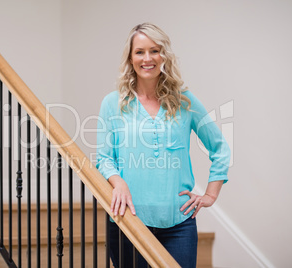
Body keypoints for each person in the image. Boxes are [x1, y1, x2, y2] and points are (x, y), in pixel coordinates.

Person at [96, 22, 231, 268]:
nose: (147, 58)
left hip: (179, 223)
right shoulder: (113, 103)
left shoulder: (184, 101)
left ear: (164, 56)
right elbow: (104, 158)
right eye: (140, 52)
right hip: (128, 220)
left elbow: (220, 147)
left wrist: (211, 193)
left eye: (155, 50)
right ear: (130, 58)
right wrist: (119, 182)